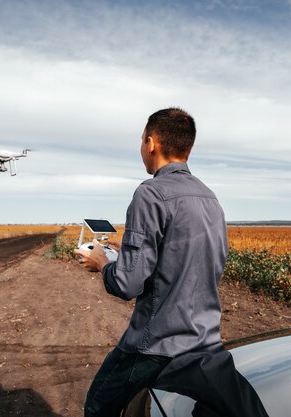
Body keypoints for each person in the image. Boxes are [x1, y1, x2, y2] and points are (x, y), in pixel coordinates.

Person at [74, 107, 229, 417]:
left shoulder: (151, 193)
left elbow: (128, 283)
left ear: (151, 142)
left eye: (141, 142)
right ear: (189, 147)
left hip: (156, 344)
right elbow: (203, 262)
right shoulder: (209, 197)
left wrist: (102, 263)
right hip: (204, 340)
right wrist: (132, 250)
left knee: (98, 405)